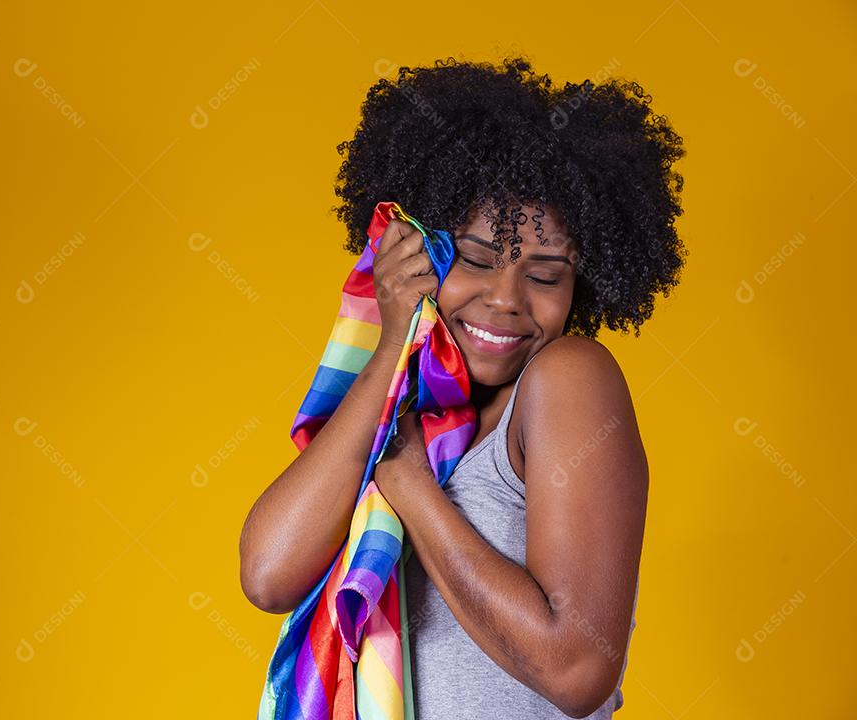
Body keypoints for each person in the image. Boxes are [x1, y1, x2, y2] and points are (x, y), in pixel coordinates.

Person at [239, 54, 685, 719]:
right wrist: (393, 344)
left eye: (545, 274)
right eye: (475, 259)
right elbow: (270, 575)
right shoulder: (405, 404)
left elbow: (577, 667)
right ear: (422, 254)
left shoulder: (567, 380)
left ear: (581, 283)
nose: (505, 299)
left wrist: (415, 491)